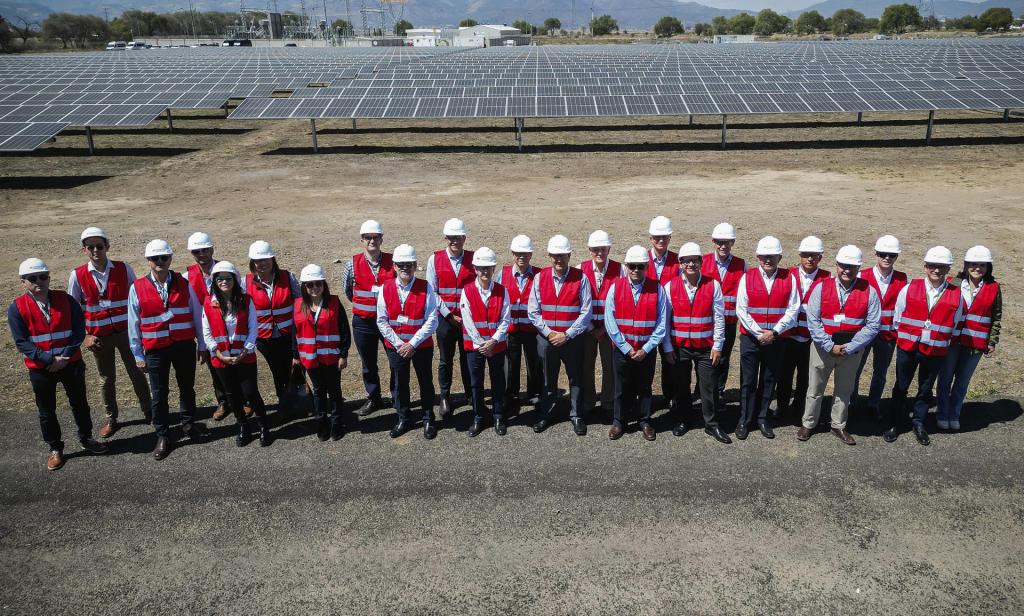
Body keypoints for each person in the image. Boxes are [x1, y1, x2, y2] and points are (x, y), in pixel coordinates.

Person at [9, 258, 107, 471]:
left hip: (70, 364)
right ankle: (55, 448)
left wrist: (64, 357)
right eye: (32, 278)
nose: (39, 281)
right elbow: (21, 342)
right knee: (47, 410)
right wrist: (48, 360)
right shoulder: (17, 308)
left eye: (43, 276)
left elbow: (79, 330)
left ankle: (86, 438)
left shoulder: (66, 300)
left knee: (80, 403)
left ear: (48, 277)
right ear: (23, 281)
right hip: (41, 369)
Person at [128, 239, 210, 461]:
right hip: (155, 348)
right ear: (148, 260)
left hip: (183, 344)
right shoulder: (137, 287)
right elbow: (133, 323)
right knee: (159, 393)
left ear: (171, 258)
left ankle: (188, 425)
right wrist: (137, 354)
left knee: (187, 387)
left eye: (164, 258)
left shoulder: (184, 283)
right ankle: (163, 435)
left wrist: (202, 344)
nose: (160, 262)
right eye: (155, 258)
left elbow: (197, 313)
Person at [67, 226, 150, 438]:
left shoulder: (123, 268)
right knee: (106, 379)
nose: (96, 250)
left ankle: (150, 410)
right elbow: (73, 310)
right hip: (99, 337)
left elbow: (137, 299)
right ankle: (111, 417)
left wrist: (141, 330)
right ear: (84, 250)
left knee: (138, 372)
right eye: (91, 247)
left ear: (107, 247)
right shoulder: (77, 275)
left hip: (126, 333)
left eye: (100, 246)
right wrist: (84, 335)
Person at [799, 246, 881, 446]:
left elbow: (873, 324)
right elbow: (813, 320)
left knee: (844, 390)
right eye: (843, 265)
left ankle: (838, 424)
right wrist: (829, 345)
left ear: (858, 267)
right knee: (814, 388)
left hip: (850, 351)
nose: (846, 270)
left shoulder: (869, 291)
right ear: (836, 265)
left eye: (851, 266)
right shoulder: (821, 287)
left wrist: (850, 346)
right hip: (822, 348)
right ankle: (809, 423)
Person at [886, 246, 965, 446]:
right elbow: (898, 317)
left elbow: (956, 323)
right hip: (908, 346)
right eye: (932, 266)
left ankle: (919, 423)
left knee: (925, 388)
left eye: (941, 267)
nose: (936, 270)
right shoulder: (909, 288)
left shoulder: (957, 295)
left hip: (935, 350)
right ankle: (895, 422)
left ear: (948, 269)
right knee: (901, 386)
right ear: (925, 267)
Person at [663, 242, 730, 444]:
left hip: (705, 347)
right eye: (686, 261)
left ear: (701, 262)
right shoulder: (670, 286)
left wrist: (718, 345)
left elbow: (719, 318)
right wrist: (667, 347)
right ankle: (684, 420)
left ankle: (711, 424)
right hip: (680, 346)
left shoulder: (713, 285)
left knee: (708, 387)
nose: (690, 264)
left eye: (694, 260)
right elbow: (664, 320)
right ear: (680, 264)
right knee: (682, 386)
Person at [735, 236, 800, 440]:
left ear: (779, 256)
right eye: (763, 256)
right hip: (751, 338)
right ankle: (745, 419)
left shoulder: (789, 277)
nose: (768, 260)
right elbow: (741, 310)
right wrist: (758, 333)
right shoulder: (748, 277)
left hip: (776, 338)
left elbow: (793, 309)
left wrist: (774, 332)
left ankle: (762, 418)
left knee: (769, 379)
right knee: (748, 380)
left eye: (772, 256)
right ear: (757, 257)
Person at [528, 235, 593, 436]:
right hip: (547, 340)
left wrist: (567, 334)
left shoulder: (581, 278)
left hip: (571, 340)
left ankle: (576, 415)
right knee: (548, 378)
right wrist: (549, 334)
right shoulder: (540, 278)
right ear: (549, 256)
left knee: (576, 378)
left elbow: (586, 311)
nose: (559, 260)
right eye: (555, 256)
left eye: (562, 256)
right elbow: (533, 311)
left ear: (569, 255)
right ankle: (546, 414)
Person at [201, 261, 271, 447]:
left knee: (251, 392)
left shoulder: (246, 300)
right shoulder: (209, 303)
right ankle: (243, 426)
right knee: (232, 394)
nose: (224, 282)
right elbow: (206, 332)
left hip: (244, 356)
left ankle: (264, 426)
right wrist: (217, 353)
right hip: (222, 358)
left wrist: (246, 350)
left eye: (228, 278)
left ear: (235, 279)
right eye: (220, 278)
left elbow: (253, 328)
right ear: (214, 281)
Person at [604, 245, 669, 441]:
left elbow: (662, 323)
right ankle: (619, 421)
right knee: (621, 387)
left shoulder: (657, 289)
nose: (635, 270)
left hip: (646, 350)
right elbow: (610, 321)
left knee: (645, 387)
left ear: (646, 267)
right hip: (623, 350)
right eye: (632, 266)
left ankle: (645, 421)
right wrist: (625, 347)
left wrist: (646, 349)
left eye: (640, 266)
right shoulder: (615, 287)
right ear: (625, 266)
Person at [377, 244, 439, 439]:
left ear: (415, 265)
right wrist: (399, 344)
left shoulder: (426, 287)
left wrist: (412, 343)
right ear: (394, 266)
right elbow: (382, 320)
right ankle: (404, 418)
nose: (405, 268)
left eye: (409, 264)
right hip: (397, 347)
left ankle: (428, 418)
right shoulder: (385, 288)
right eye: (401, 264)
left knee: (425, 382)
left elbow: (432, 319)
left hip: (421, 346)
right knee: (400, 383)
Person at [936, 246, 1001, 431]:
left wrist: (992, 340)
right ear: (966, 265)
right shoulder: (953, 283)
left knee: (962, 382)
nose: (977, 268)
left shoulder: (993, 288)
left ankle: (954, 414)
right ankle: (942, 413)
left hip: (975, 344)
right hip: (952, 341)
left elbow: (997, 316)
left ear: (988, 267)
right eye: (973, 264)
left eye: (982, 265)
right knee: (945, 379)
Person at [242, 240, 301, 419]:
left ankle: (299, 401)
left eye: (266, 260)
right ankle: (284, 403)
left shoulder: (287, 277)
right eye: (258, 261)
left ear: (272, 259)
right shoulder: (246, 282)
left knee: (294, 369)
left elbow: (299, 302)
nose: (262, 264)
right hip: (264, 338)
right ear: (252, 263)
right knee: (278, 371)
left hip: (288, 335)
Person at [293, 264, 352, 442]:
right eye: (309, 285)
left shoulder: (334, 302)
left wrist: (343, 354)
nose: (314, 288)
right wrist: (296, 356)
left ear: (324, 284)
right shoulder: (297, 305)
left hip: (332, 357)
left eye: (318, 284)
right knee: (318, 391)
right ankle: (321, 422)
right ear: (304, 287)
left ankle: (336, 423)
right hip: (310, 358)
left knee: (334, 391)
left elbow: (344, 330)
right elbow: (294, 333)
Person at [342, 219, 394, 417]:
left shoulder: (393, 262)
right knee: (368, 363)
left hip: (389, 321)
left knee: (394, 359)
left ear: (381, 239)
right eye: (367, 238)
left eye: (375, 237)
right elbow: (348, 291)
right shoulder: (352, 264)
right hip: (363, 322)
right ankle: (374, 398)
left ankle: (396, 395)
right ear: (361, 241)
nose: (372, 241)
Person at [776, 236, 831, 423]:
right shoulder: (787, 274)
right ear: (800, 255)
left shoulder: (827, 277)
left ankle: (799, 407)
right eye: (806, 255)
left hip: (811, 337)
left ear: (820, 257)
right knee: (784, 374)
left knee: (806, 377)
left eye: (814, 256)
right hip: (788, 335)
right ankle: (782, 407)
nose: (810, 259)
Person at [854, 235, 907, 422]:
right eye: (883, 254)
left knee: (880, 372)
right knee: (856, 369)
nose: (887, 258)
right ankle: (852, 403)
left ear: (896, 257)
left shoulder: (902, 279)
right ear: (876, 254)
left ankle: (873, 404)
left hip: (887, 334)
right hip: (864, 333)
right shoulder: (862, 276)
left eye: (891, 255)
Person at [459, 247, 511, 437]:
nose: (485, 272)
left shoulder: (502, 291)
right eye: (481, 268)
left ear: (493, 268)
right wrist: (482, 343)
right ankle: (478, 417)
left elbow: (506, 319)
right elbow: (467, 319)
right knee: (476, 383)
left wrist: (494, 341)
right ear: (475, 269)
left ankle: (498, 416)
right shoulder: (467, 291)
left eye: (488, 268)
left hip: (496, 346)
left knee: (498, 381)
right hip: (475, 347)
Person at [426, 218, 474, 418]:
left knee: (468, 357)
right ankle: (445, 396)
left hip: (467, 319)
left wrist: (464, 315)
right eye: (451, 237)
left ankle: (470, 395)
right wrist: (448, 314)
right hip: (445, 320)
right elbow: (432, 291)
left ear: (464, 238)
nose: (455, 241)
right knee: (446, 359)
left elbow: (477, 290)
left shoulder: (473, 259)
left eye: (459, 237)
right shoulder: (434, 260)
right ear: (445, 237)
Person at [183, 231, 230, 422]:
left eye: (204, 250)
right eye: (196, 251)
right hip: (207, 329)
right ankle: (223, 402)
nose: (201, 254)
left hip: (229, 325)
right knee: (215, 366)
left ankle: (245, 400)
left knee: (237, 364)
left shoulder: (226, 269)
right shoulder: (187, 277)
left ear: (212, 249)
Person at [701, 222, 746, 408]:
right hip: (706, 322)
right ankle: (701, 391)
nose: (723, 246)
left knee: (723, 358)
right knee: (704, 358)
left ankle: (718, 391)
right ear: (713, 241)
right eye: (719, 242)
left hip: (728, 322)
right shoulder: (702, 262)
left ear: (733, 242)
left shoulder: (741, 265)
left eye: (727, 242)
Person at [496, 234, 542, 414]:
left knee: (534, 362)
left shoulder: (538, 275)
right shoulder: (503, 274)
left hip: (532, 329)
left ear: (530, 255)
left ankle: (535, 393)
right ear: (512, 254)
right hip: (511, 329)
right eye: (517, 253)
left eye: (525, 253)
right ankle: (511, 394)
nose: (521, 257)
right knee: (511, 362)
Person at [579, 230, 621, 419]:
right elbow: (577, 301)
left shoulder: (620, 270)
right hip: (586, 329)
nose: (599, 253)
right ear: (589, 249)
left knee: (609, 366)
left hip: (609, 328)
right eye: (595, 249)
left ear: (609, 249)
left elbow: (620, 302)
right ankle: (588, 401)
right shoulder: (580, 269)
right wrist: (590, 328)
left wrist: (605, 328)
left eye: (603, 249)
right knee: (586, 365)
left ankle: (608, 401)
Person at [646, 215, 679, 408]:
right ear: (651, 238)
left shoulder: (677, 261)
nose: (660, 241)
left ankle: (671, 396)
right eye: (657, 237)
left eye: (664, 237)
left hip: (671, 319)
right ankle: (645, 397)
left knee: (671, 360)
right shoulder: (641, 259)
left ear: (669, 239)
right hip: (647, 320)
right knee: (645, 361)